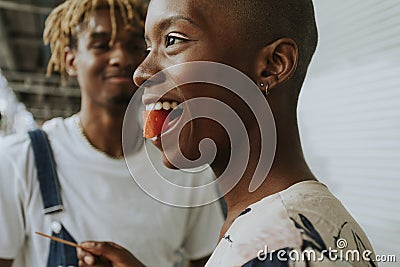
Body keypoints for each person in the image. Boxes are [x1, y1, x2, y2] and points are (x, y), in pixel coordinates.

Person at [76, 0, 378, 266]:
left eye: (172, 40)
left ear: (273, 65)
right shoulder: (273, 226)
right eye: (148, 47)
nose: (140, 72)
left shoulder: (280, 247)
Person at [0, 0, 224, 266]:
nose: (121, 58)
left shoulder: (185, 167)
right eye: (101, 45)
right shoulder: (19, 160)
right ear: (70, 61)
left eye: (134, 47)